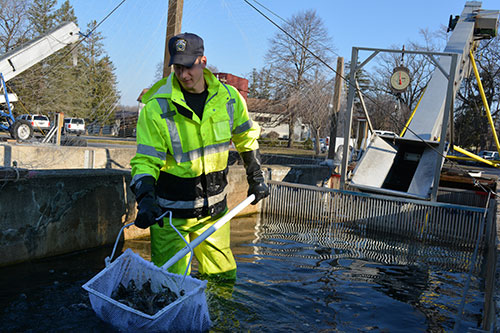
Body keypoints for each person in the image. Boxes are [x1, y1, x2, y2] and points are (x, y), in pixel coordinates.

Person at [130, 32, 269, 280]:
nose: (184, 75)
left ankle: (219, 320)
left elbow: (246, 139)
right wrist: (145, 198)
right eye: (178, 67)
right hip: (170, 219)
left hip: (214, 214)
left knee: (223, 278)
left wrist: (256, 177)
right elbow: (146, 161)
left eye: (189, 66)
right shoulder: (157, 105)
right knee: (167, 285)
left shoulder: (229, 99)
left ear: (203, 61)